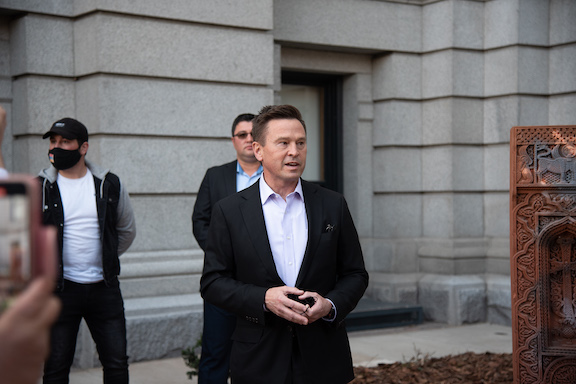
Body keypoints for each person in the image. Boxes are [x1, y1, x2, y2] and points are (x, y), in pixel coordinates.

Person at [200, 105, 369, 384]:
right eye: (283, 143)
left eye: (301, 143)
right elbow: (213, 282)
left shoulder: (332, 204)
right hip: (259, 359)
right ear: (259, 150)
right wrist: (263, 298)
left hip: (323, 357)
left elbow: (355, 274)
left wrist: (330, 304)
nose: (295, 151)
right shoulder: (229, 211)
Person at [39, 117, 136, 384]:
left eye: (65, 142)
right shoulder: (40, 187)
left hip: (104, 289)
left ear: (83, 148)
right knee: (56, 366)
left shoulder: (109, 184)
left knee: (116, 363)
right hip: (59, 290)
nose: (56, 147)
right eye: (53, 141)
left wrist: (106, 257)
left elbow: (126, 231)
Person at [192, 113, 262, 384]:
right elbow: (200, 220)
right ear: (233, 140)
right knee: (215, 352)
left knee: (259, 355)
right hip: (222, 280)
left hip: (262, 283)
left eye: (252, 134)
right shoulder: (215, 176)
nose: (248, 139)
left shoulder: (275, 176)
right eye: (242, 135)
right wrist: (223, 256)